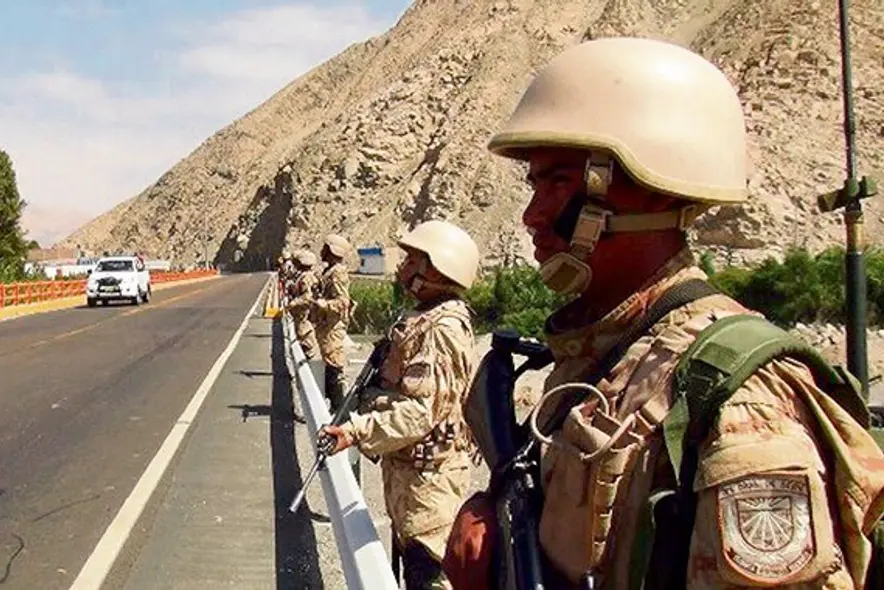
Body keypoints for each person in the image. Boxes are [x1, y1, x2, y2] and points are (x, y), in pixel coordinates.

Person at [442, 37, 884, 589]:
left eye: (559, 182)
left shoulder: (740, 402)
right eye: (535, 184)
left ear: (653, 190)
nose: (532, 215)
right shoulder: (611, 352)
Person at [320, 220, 481, 590]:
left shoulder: (441, 329)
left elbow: (420, 413)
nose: (403, 267)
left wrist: (355, 430)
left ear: (436, 269)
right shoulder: (424, 319)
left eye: (412, 259)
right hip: (412, 480)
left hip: (430, 486)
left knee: (428, 575)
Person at [312, 234, 353, 413]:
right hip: (325, 327)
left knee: (334, 369)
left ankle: (338, 412)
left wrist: (325, 304)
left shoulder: (338, 273)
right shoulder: (328, 271)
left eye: (325, 248)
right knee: (328, 369)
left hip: (332, 329)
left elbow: (343, 301)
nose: (321, 251)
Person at [284, 249, 321, 359]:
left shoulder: (306, 278)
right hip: (300, 315)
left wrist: (293, 303)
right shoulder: (302, 276)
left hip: (304, 314)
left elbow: (307, 296)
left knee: (305, 338)